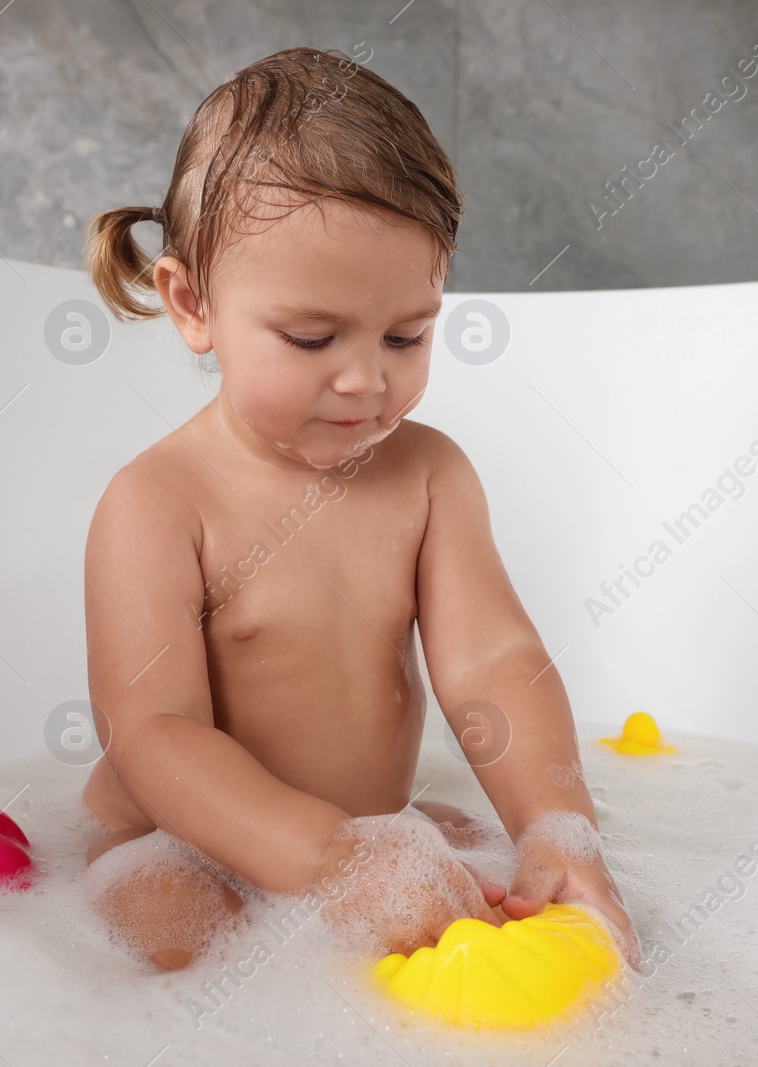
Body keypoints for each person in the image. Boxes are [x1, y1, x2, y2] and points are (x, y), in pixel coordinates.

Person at [79, 45, 636, 973]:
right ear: (191, 303)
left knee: (481, 874)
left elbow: (494, 662)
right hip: (179, 837)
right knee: (175, 933)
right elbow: (154, 738)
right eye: (310, 336)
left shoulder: (429, 478)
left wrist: (556, 823)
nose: (366, 379)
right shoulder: (158, 502)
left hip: (371, 835)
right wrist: (330, 855)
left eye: (406, 334)